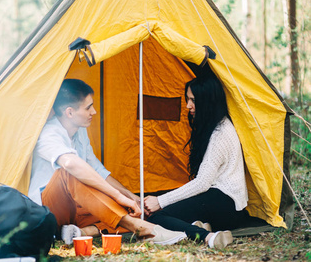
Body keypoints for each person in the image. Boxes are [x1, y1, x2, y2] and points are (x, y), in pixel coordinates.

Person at [28, 79, 187, 245]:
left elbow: (97, 170)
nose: (94, 111)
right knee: (71, 173)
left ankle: (82, 232)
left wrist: (129, 196)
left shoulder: (80, 132)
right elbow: (71, 164)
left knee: (131, 209)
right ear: (69, 112)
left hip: (77, 209)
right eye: (88, 107)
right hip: (49, 210)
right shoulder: (48, 134)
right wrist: (117, 196)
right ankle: (142, 229)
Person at [144, 71, 249, 249]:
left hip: (225, 205)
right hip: (227, 204)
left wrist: (160, 202)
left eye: (193, 100)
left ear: (207, 101)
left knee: (157, 217)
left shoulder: (220, 134)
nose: (187, 106)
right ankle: (196, 225)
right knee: (167, 202)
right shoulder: (216, 124)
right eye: (187, 99)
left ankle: (207, 236)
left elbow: (202, 183)